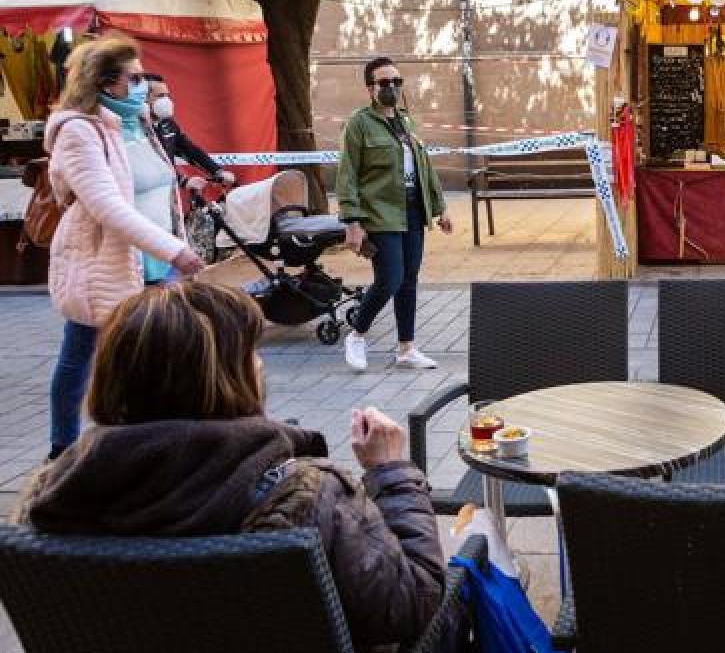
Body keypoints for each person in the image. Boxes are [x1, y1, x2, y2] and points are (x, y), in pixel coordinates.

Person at [12, 282, 447, 652]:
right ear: (223, 377)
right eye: (251, 353)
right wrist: (392, 474)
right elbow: (412, 606)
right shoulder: (304, 498)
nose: (260, 364)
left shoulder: (50, 505)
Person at [42, 33, 204, 460]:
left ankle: (149, 447)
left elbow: (163, 192)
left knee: (156, 356)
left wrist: (174, 246)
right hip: (106, 264)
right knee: (82, 354)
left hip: (155, 267)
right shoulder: (79, 131)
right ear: (103, 82)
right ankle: (62, 449)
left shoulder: (139, 122)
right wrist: (176, 251)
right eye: (134, 77)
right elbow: (108, 207)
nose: (142, 85)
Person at [337, 57, 452, 372]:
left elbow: (423, 166)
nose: (392, 88)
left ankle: (406, 348)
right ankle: (357, 336)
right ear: (370, 88)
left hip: (413, 211)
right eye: (384, 82)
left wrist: (439, 207)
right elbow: (347, 175)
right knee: (389, 278)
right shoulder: (358, 124)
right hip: (380, 213)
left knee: (409, 279)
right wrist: (352, 222)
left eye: (396, 82)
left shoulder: (406, 121)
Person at [144, 73, 237, 192]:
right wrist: (183, 181)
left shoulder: (168, 124)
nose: (166, 100)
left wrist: (218, 171)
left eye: (167, 96)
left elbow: (190, 150)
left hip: (169, 194)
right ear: (144, 98)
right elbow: (152, 165)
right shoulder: (137, 128)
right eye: (160, 96)